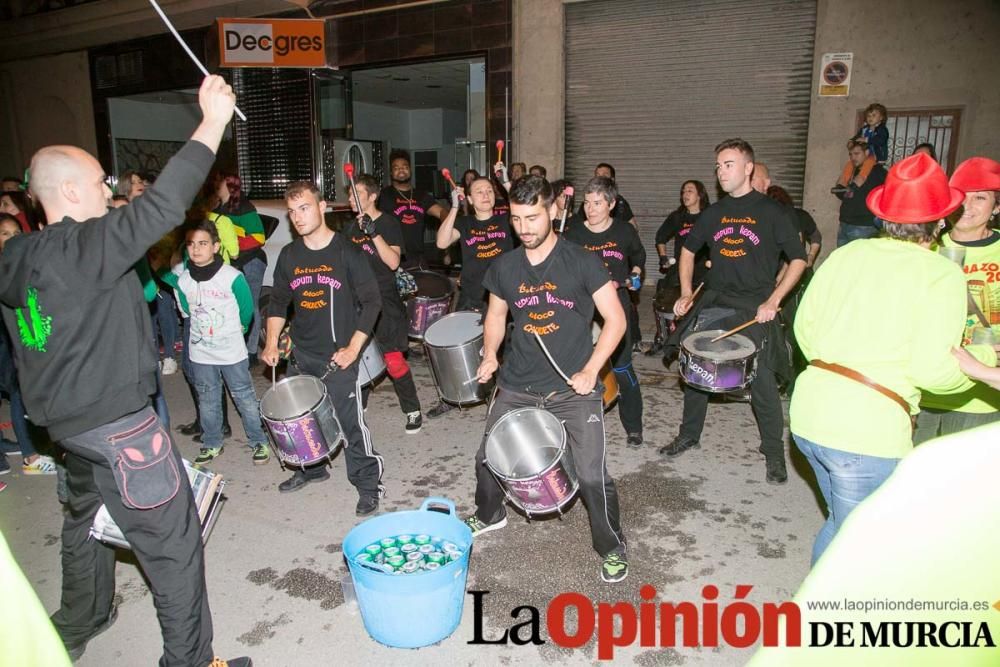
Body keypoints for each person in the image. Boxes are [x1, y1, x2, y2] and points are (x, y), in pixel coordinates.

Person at [0, 75, 250, 667]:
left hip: (65, 430)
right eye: (97, 181)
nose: (106, 188)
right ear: (66, 188)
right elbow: (164, 206)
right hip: (120, 428)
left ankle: (81, 619)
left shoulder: (16, 255)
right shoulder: (86, 247)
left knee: (83, 518)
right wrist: (212, 120)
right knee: (175, 547)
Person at [790, 153, 995, 564]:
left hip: (809, 417)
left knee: (843, 525)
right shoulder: (941, 273)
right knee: (863, 542)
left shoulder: (846, 254)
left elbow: (804, 330)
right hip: (866, 434)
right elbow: (932, 371)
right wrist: (984, 360)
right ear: (939, 222)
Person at [463, 175, 630, 583]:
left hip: (573, 387)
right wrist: (489, 355)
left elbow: (616, 319)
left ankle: (612, 546)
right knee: (486, 460)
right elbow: (497, 317)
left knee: (592, 475)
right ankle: (490, 514)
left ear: (553, 211)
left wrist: (592, 369)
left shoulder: (582, 261)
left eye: (533, 217)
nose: (525, 228)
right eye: (517, 219)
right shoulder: (504, 266)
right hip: (519, 383)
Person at [662, 138, 806, 484]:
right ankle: (689, 435)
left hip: (754, 306)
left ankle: (773, 453)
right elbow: (687, 251)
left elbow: (798, 259)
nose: (721, 172)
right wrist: (685, 292)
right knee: (697, 368)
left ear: (747, 168)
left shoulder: (772, 212)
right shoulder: (714, 213)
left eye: (728, 165)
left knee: (763, 380)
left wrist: (774, 301)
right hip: (715, 301)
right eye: (718, 166)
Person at [261, 181, 385, 514]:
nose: (297, 217)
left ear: (322, 207)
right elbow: (278, 302)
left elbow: (373, 301)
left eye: (304, 208)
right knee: (302, 418)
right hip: (302, 354)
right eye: (292, 211)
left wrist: (353, 349)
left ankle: (368, 484)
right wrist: (272, 342)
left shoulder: (346, 251)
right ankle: (312, 468)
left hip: (339, 357)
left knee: (349, 424)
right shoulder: (289, 255)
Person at [159, 220, 271, 466]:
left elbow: (246, 310)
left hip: (231, 352)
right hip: (201, 354)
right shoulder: (184, 279)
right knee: (207, 399)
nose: (196, 249)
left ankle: (259, 440)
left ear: (216, 246)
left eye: (203, 243)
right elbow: (186, 308)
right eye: (191, 244)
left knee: (244, 398)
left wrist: (236, 332)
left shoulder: (232, 277)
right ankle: (212, 442)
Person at [914, 157, 1000, 442]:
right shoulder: (925, 246)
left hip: (982, 394)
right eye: (961, 197)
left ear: (996, 207)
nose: (968, 206)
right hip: (926, 387)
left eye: (980, 198)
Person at [564, 176, 646, 447]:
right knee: (576, 367)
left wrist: (635, 273)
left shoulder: (624, 231)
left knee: (622, 368)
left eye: (597, 203)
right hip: (582, 307)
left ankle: (633, 426)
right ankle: (574, 427)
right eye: (587, 202)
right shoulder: (573, 233)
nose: (591, 208)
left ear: (611, 204)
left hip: (615, 306)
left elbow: (638, 256)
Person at [426, 176, 515, 419]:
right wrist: (454, 207)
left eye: (489, 190)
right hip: (471, 295)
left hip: (502, 297)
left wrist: (507, 184)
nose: (485, 195)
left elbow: (524, 205)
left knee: (501, 352)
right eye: (479, 191)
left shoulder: (506, 220)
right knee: (461, 347)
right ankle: (454, 396)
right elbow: (442, 241)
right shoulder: (464, 223)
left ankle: (501, 401)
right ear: (470, 198)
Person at [344, 173, 424, 434]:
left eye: (357, 194)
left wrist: (373, 233)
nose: (351, 199)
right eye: (349, 194)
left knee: (393, 360)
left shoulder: (388, 223)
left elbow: (392, 262)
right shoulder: (349, 228)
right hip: (357, 302)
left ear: (373, 196)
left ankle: (412, 409)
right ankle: (360, 402)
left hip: (384, 301)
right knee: (357, 356)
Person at [0, 214, 56, 474]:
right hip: (9, 346)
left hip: (21, 344)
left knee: (26, 396)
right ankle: (30, 457)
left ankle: (33, 448)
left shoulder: (18, 264)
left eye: (15, 231)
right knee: (18, 397)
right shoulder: (6, 269)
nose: (13, 238)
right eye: (5, 234)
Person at [650, 180, 711, 357]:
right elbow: (660, 237)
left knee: (700, 307)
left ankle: (695, 343)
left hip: (702, 270)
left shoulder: (709, 215)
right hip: (680, 269)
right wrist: (663, 257)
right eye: (683, 191)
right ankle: (662, 338)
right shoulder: (677, 217)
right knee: (661, 299)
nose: (685, 194)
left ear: (700, 194)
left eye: (690, 191)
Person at [215, 172, 268, 365]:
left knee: (250, 304)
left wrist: (231, 243)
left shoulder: (244, 208)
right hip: (233, 263)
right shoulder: (220, 209)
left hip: (251, 261)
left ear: (228, 185)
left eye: (219, 182)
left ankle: (251, 351)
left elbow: (258, 238)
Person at [376, 149, 449, 269]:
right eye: (396, 168)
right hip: (393, 259)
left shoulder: (422, 195)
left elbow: (441, 212)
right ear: (391, 173)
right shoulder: (383, 195)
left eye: (405, 166)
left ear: (410, 170)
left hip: (418, 259)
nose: (401, 170)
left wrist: (447, 229)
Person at [833, 139, 888, 246]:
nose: (853, 158)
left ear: (867, 153)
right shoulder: (852, 170)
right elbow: (843, 193)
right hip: (845, 223)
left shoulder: (878, 172)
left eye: (857, 154)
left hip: (863, 225)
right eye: (851, 154)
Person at [576, 163, 637, 230]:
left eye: (604, 175)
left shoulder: (620, 202)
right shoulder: (588, 200)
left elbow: (633, 227)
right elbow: (578, 225)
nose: (600, 179)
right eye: (597, 175)